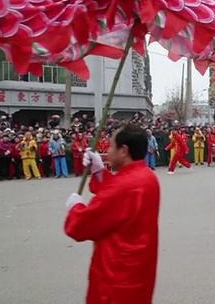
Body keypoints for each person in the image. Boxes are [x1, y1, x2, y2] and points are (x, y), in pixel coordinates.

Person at [65, 125, 160, 304]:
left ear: (124, 150)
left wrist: (75, 207)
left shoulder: (123, 186)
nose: (108, 151)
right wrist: (100, 172)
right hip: (138, 269)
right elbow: (118, 203)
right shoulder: (147, 176)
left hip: (116, 275)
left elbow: (82, 226)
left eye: (111, 147)